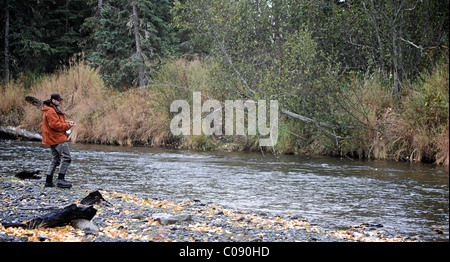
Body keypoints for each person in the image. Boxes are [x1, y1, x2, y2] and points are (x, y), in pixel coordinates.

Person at [42, 93, 76, 188]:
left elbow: (58, 122)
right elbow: (55, 125)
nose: (60, 101)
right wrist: (68, 126)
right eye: (58, 100)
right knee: (66, 157)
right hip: (57, 138)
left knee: (55, 159)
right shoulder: (50, 111)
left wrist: (68, 122)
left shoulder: (51, 109)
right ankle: (61, 180)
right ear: (53, 100)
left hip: (53, 138)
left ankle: (48, 181)